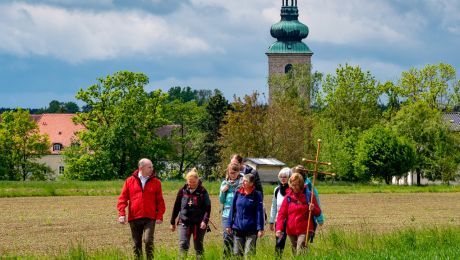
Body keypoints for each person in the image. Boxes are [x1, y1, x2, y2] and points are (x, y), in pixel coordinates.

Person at [117, 158, 166, 260]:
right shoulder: (129, 181)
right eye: (149, 167)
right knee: (136, 244)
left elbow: (160, 201)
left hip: (150, 217)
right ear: (141, 168)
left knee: (148, 241)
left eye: (152, 167)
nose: (152, 169)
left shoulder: (156, 182)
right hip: (134, 218)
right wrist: (122, 214)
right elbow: (122, 199)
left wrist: (160, 215)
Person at [275, 173, 321, 256]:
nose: (294, 187)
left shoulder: (309, 196)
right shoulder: (288, 197)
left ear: (301, 184)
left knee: (300, 249)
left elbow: (318, 212)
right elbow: (281, 214)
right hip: (291, 230)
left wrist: (313, 208)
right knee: (295, 251)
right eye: (293, 185)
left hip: (305, 229)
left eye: (297, 185)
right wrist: (279, 228)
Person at [170, 168, 211, 259]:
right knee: (183, 244)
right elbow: (176, 206)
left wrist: (205, 221)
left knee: (198, 246)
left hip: (199, 223)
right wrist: (172, 222)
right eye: (189, 182)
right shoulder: (182, 190)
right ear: (187, 180)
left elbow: (207, 208)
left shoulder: (203, 191)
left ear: (197, 180)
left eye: (193, 182)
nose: (191, 184)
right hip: (184, 222)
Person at [226, 174, 264, 257]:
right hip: (237, 228)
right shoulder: (237, 192)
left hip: (251, 229)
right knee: (236, 253)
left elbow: (259, 212)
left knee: (249, 254)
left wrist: (260, 228)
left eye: (245, 181)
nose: (243, 182)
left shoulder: (257, 195)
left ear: (251, 183)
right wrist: (229, 224)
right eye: (243, 180)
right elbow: (232, 209)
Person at [292, 165, 325, 242]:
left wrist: (320, 219)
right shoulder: (291, 185)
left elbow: (316, 202)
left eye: (300, 172)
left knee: (303, 243)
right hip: (294, 219)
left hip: (307, 218)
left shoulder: (309, 186)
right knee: (295, 244)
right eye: (297, 172)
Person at [219, 163, 243, 258]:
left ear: (238, 172)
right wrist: (223, 191)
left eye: (234, 172)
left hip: (238, 214)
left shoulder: (242, 184)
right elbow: (222, 200)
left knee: (237, 238)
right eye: (231, 173)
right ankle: (226, 257)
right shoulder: (224, 183)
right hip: (227, 214)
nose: (232, 175)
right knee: (227, 237)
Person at [268, 167, 291, 258]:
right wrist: (271, 220)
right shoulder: (276, 190)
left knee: (296, 243)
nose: (282, 178)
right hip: (280, 220)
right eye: (280, 176)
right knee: (279, 243)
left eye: (285, 176)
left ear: (289, 177)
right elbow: (274, 206)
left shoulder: (293, 189)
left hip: (292, 220)